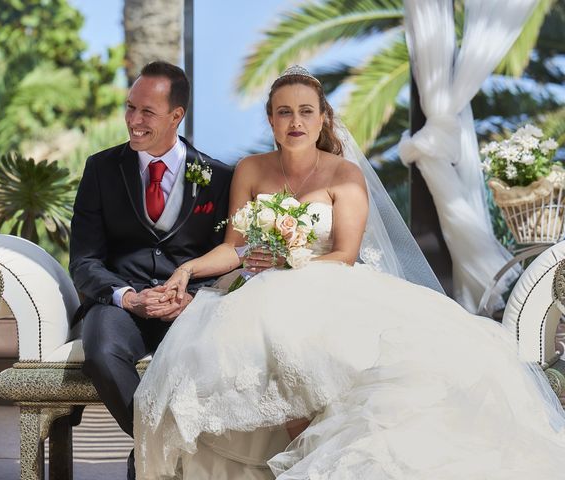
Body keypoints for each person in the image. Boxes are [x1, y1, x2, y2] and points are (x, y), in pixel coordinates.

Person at [132, 66, 565, 479]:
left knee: (315, 353)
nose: (295, 121)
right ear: (271, 120)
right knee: (249, 345)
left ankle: (323, 464)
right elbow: (235, 247)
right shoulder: (251, 169)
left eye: (305, 111)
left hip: (326, 283)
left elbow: (344, 253)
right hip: (258, 289)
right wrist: (189, 268)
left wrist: (287, 260)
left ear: (323, 119)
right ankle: (290, 464)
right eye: (284, 112)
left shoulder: (345, 174)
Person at [68, 61, 232, 479]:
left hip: (190, 307)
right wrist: (127, 296)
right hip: (120, 305)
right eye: (129, 108)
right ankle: (158, 446)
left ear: (177, 116)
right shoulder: (101, 169)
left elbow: (228, 255)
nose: (133, 121)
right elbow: (84, 261)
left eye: (147, 112)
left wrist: (195, 297)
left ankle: (147, 457)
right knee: (102, 353)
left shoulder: (219, 177)